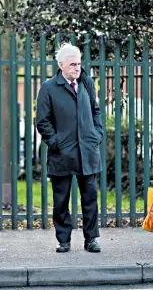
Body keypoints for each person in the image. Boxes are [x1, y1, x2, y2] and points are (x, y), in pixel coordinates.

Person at [36, 43, 104, 253]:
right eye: (73, 64)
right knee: (61, 200)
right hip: (62, 154)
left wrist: (96, 134)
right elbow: (42, 121)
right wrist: (56, 142)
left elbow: (95, 110)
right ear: (61, 65)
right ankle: (63, 240)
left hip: (88, 151)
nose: (77, 68)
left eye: (79, 63)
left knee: (90, 198)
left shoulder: (86, 82)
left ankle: (91, 238)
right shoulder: (48, 88)